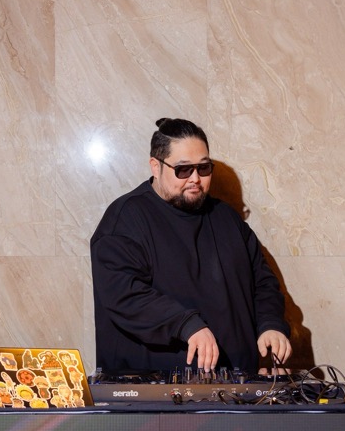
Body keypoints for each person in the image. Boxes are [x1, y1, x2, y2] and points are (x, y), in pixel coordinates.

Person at [90, 118, 292, 377]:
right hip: (158, 390)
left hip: (238, 385)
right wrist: (185, 324)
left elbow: (262, 281)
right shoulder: (125, 219)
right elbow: (124, 295)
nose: (195, 179)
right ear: (156, 166)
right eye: (183, 170)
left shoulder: (226, 218)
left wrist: (270, 324)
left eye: (204, 168)